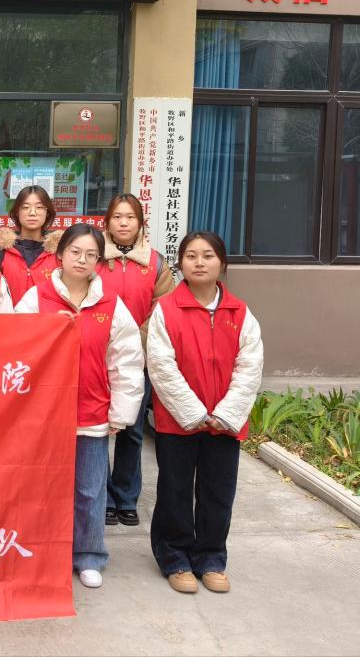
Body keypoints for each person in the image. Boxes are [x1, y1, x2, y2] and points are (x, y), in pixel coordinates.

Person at [15, 223, 144, 590]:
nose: (82, 260)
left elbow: (126, 361)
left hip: (91, 411)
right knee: (41, 489)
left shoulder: (111, 304)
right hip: (43, 415)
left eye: (91, 254)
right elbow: (14, 346)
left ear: (99, 261)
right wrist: (46, 329)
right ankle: (42, 553)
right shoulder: (36, 298)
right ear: (60, 255)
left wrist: (122, 413)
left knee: (90, 489)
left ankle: (89, 555)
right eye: (75, 252)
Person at [147, 231, 263, 595]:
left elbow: (250, 367)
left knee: (218, 492)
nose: (199, 262)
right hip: (178, 421)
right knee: (175, 490)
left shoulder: (240, 312)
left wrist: (225, 413)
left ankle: (211, 557)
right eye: (191, 256)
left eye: (208, 255)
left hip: (225, 423)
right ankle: (175, 557)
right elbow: (161, 366)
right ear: (180, 263)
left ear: (222, 263)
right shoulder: (166, 310)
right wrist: (194, 413)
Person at [97, 194, 177, 528]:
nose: (123, 223)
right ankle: (103, 497)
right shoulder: (93, 256)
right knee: (96, 430)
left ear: (141, 222)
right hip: (97, 357)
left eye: (130, 217)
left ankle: (126, 497)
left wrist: (132, 345)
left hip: (138, 359)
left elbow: (163, 310)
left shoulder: (156, 263)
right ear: (107, 222)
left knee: (132, 430)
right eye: (117, 217)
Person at [0, 186, 61, 306]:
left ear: (47, 212)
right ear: (17, 212)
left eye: (39, 207)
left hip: (47, 317)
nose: (32, 213)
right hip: (8, 317)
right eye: (26, 207)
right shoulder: (2, 250)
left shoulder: (59, 252)